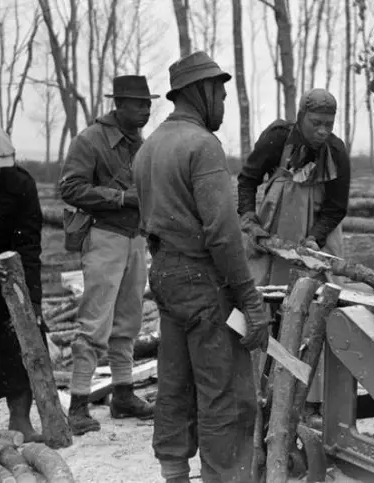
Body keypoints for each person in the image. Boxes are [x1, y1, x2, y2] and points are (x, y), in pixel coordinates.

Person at [132, 51, 270, 483]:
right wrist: (249, 297)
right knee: (222, 391)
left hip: (165, 276)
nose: (224, 106)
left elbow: (145, 221)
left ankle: (174, 473)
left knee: (174, 383)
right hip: (202, 279)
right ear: (202, 91)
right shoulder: (202, 145)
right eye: (221, 95)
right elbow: (223, 234)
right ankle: (222, 476)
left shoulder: (148, 147)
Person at [237, 87, 351, 410]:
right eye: (316, 122)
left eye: (329, 123)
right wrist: (248, 218)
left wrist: (315, 237)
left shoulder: (337, 152)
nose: (322, 130)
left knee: (320, 304)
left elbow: (336, 207)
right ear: (301, 116)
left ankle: (313, 398)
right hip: (273, 233)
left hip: (319, 235)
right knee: (265, 303)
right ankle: (258, 390)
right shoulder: (276, 139)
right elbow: (247, 179)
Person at [59, 75, 157, 436]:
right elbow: (69, 187)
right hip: (102, 235)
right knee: (94, 321)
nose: (145, 110)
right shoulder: (90, 140)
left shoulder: (140, 143)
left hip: (134, 238)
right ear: (119, 105)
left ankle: (123, 394)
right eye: (138, 104)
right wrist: (119, 198)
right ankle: (79, 404)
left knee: (128, 322)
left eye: (148, 104)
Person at [0, 119, 46, 442]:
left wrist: (32, 301)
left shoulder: (19, 185)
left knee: (23, 345)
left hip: (4, 281)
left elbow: (30, 246)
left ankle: (20, 421)